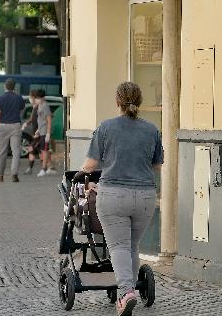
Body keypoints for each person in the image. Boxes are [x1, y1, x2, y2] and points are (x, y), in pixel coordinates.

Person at [78, 82, 163, 316]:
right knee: (132, 246)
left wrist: (83, 172)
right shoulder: (152, 129)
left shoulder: (106, 127)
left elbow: (91, 164)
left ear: (117, 102)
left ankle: (126, 292)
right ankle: (130, 290)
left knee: (118, 246)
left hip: (113, 195)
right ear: (140, 101)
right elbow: (156, 165)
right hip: (145, 196)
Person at [0, 78, 25, 183]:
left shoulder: (0, 98)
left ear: (5, 86)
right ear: (14, 87)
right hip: (15, 125)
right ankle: (14, 174)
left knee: (2, 152)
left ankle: (0, 175)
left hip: (3, 126)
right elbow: (21, 110)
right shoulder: (19, 98)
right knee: (16, 151)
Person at [33, 89, 55, 177]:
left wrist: (48, 133)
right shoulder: (40, 105)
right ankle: (50, 167)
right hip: (41, 130)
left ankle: (44, 168)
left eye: (38, 98)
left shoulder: (45, 106)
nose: (37, 99)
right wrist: (38, 130)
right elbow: (41, 120)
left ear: (43, 98)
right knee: (44, 150)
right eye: (36, 98)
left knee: (44, 150)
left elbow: (49, 120)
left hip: (45, 131)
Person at [23, 90, 40, 175]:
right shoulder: (34, 107)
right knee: (44, 151)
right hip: (35, 133)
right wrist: (27, 123)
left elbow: (43, 120)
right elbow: (32, 118)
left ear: (33, 98)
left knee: (32, 149)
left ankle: (30, 168)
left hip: (39, 133)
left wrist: (39, 130)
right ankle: (48, 167)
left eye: (30, 97)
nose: (30, 99)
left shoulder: (38, 107)